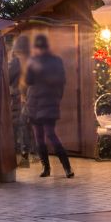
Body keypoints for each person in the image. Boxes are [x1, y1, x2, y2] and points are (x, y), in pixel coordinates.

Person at [23, 34, 73, 178]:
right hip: (44, 102)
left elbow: (29, 81)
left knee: (45, 136)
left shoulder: (37, 61)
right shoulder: (55, 61)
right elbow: (61, 82)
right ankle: (62, 168)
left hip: (40, 103)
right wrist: (57, 98)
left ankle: (52, 168)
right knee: (46, 135)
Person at [8, 35, 32, 167]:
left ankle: (20, 155)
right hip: (28, 97)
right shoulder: (30, 61)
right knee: (24, 126)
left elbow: (7, 77)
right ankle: (25, 154)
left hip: (17, 98)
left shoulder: (15, 62)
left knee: (17, 126)